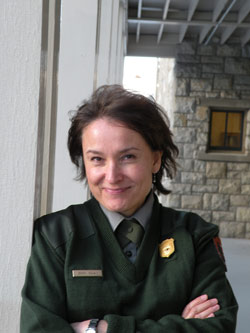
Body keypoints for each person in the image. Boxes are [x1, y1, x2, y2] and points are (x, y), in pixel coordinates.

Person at [20, 85, 238, 332]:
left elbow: (219, 327)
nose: (112, 176)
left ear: (155, 159)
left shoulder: (195, 235)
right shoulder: (54, 236)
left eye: (128, 157)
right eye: (97, 159)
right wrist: (180, 326)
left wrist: (99, 329)